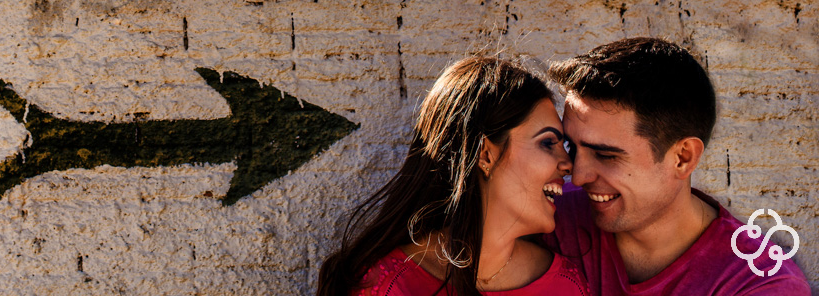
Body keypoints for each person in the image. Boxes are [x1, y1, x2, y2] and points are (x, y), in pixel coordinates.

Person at [546, 37, 810, 295]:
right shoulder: (548, 216)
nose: (578, 177)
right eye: (571, 146)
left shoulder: (759, 283)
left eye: (605, 155)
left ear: (683, 157)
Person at [317, 56, 587, 296]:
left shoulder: (566, 285)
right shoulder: (388, 285)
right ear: (484, 155)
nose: (568, 165)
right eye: (548, 143)